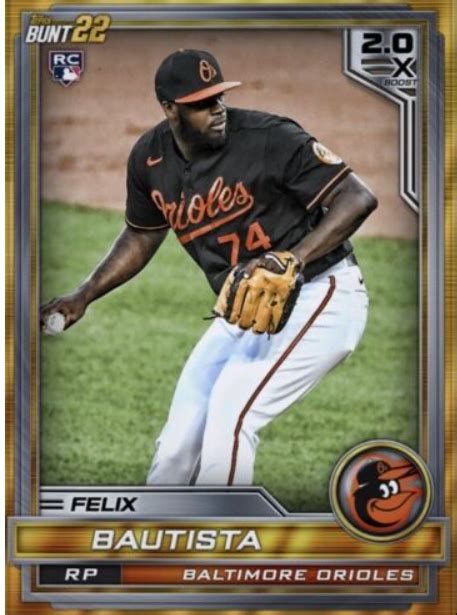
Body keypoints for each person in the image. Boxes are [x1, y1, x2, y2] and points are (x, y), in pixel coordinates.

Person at [40, 49, 377, 486]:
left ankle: (224, 525)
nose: (216, 109)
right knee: (177, 445)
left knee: (232, 417)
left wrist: (295, 257)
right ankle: (161, 527)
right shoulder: (149, 159)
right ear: (170, 109)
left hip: (323, 293)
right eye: (201, 103)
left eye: (218, 97)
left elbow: (358, 197)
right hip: (243, 308)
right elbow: (142, 233)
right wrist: (84, 294)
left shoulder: (270, 137)